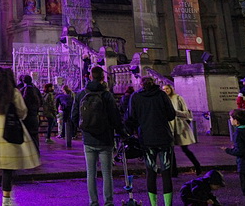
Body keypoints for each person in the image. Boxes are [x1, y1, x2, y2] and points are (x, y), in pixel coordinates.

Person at [0, 66, 40, 206]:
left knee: (1, 164)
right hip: (9, 131)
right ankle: (6, 199)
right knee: (8, 168)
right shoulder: (14, 93)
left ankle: (6, 198)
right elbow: (23, 111)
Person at [71, 66, 124, 206]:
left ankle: (93, 202)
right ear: (102, 78)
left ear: (89, 77)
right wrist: (121, 132)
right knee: (107, 173)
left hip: (88, 139)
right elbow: (115, 117)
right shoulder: (107, 95)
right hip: (105, 138)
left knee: (91, 173)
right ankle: (108, 202)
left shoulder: (81, 94)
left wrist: (83, 128)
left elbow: (74, 116)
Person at [127, 76, 176, 206]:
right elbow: (171, 115)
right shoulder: (161, 95)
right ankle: (167, 204)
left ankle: (153, 204)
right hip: (163, 136)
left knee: (151, 172)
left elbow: (132, 117)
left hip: (146, 137)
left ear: (141, 84)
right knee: (166, 172)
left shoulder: (136, 97)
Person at [163, 83, 203, 176]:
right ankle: (173, 172)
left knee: (185, 148)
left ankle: (197, 166)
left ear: (171, 89)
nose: (166, 91)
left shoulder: (178, 98)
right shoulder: (163, 99)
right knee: (170, 149)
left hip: (179, 125)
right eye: (164, 89)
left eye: (167, 89)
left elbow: (186, 113)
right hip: (169, 125)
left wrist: (174, 112)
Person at [20, 75, 43, 154]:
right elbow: (41, 102)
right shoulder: (36, 90)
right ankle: (36, 152)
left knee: (26, 135)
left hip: (26, 117)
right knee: (34, 135)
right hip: (34, 116)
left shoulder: (22, 90)